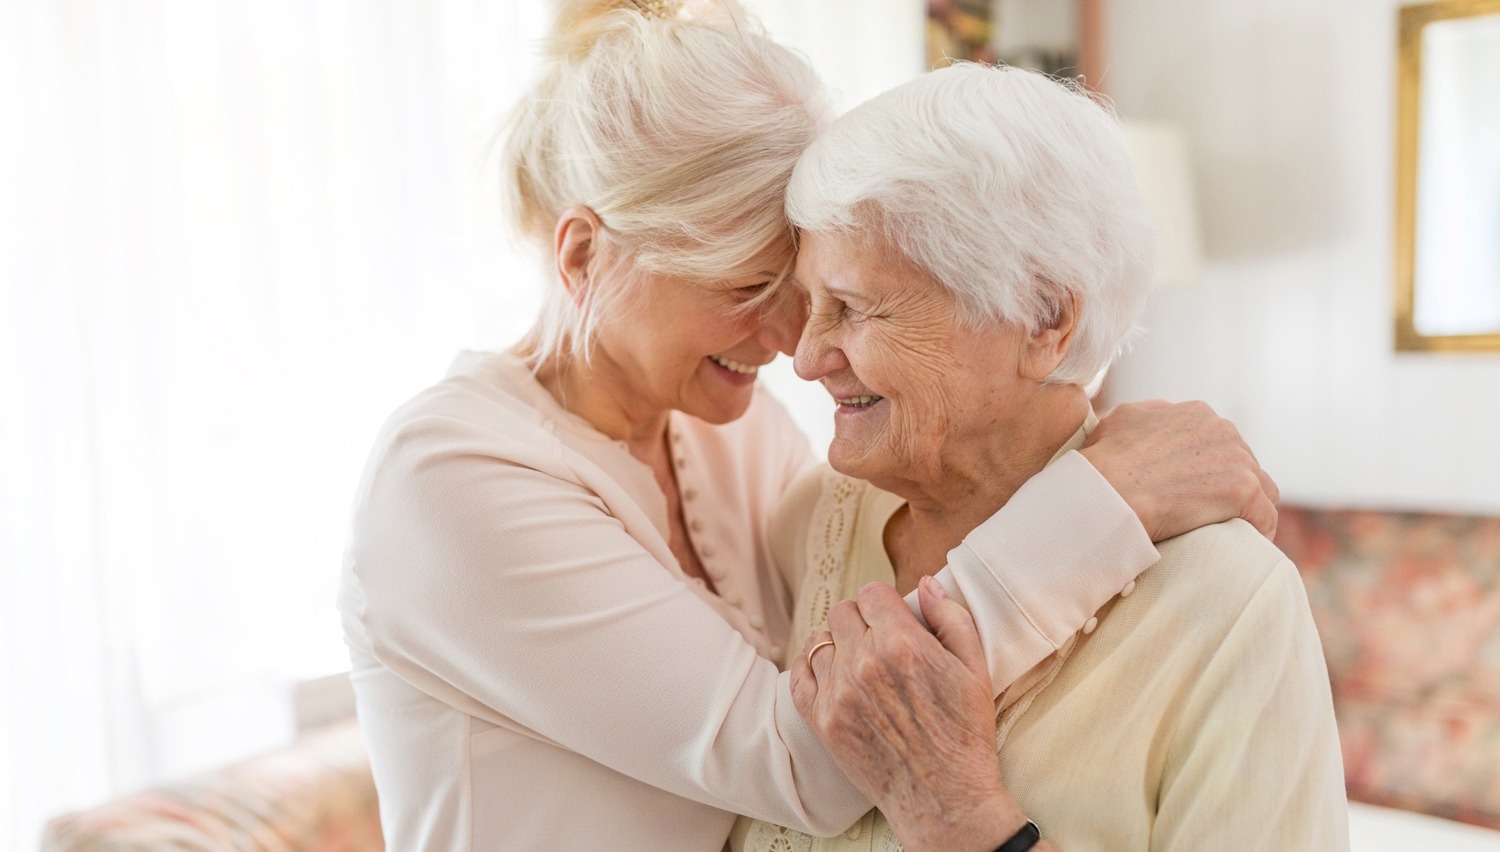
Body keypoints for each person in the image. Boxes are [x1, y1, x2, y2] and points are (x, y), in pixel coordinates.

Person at [337, 2, 1281, 849]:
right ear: (584, 255)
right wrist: (1103, 504)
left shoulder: (725, 432)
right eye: (748, 290)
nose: (792, 343)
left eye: (811, 290)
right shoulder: (452, 481)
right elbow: (810, 759)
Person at [733, 63, 1349, 852]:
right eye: (809, 304)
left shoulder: (1230, 605)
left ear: (1042, 318)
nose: (808, 357)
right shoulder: (809, 522)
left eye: (854, 308)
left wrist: (959, 816)